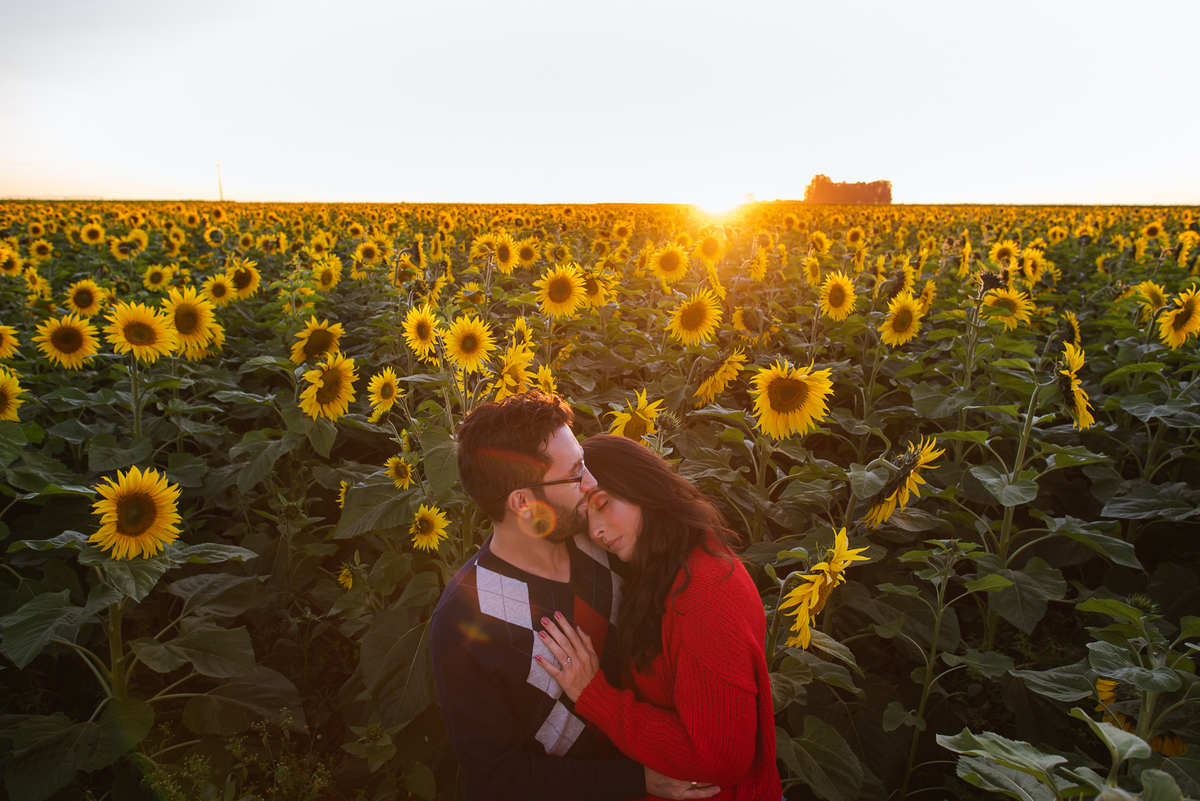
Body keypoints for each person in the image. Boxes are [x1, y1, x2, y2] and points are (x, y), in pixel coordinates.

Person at [430, 391, 720, 801]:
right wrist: (636, 782)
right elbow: (499, 781)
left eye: (584, 462)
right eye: (576, 473)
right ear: (524, 502)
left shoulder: (604, 543)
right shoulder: (463, 619)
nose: (592, 483)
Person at [537, 434, 781, 801]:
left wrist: (596, 696)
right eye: (587, 519)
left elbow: (718, 757)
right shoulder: (663, 570)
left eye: (602, 505)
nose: (597, 531)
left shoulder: (705, 591)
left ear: (641, 486)